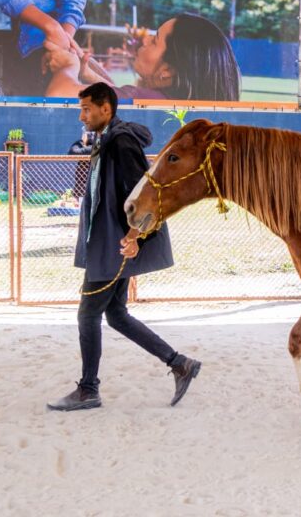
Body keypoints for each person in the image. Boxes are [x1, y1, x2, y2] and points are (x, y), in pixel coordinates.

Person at [47, 82, 201, 412]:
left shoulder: (121, 141)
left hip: (114, 246)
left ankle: (89, 390)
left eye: (86, 109)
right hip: (109, 243)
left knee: (88, 314)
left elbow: (143, 195)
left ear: (106, 108)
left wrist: (134, 237)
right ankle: (180, 364)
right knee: (116, 315)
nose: (81, 116)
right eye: (81, 109)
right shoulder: (106, 139)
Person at [45, 13, 241, 101]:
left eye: (155, 40)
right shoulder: (173, 103)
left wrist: (68, 66)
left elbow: (59, 95)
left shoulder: (143, 99)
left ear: (167, 71)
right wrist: (89, 73)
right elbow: (119, 95)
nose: (145, 39)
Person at [67, 126, 94, 199]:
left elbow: (96, 149)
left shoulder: (101, 143)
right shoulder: (80, 144)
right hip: (82, 183)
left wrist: (84, 148)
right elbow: (72, 152)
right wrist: (83, 143)